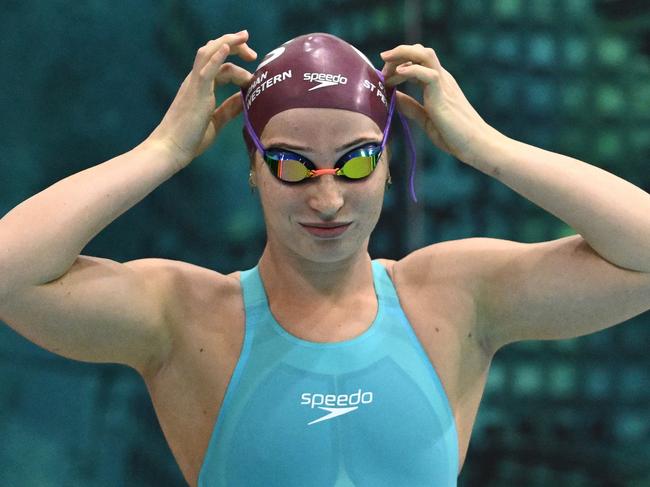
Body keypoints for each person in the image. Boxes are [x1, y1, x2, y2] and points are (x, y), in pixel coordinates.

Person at [0, 29, 649, 487]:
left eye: (358, 159)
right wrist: (161, 152)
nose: (329, 197)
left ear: (390, 164)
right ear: (254, 168)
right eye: (291, 164)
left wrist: (489, 147)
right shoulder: (186, 317)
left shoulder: (451, 297)